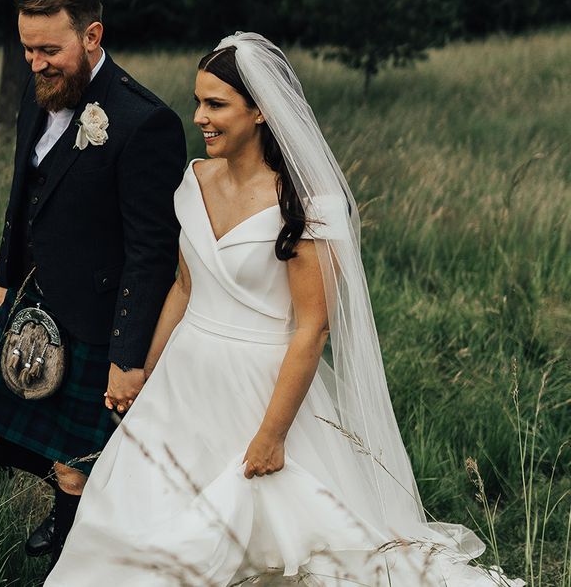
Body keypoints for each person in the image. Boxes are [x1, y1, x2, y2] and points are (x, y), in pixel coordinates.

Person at [43, 33, 524, 586]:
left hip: (262, 387)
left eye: (216, 104)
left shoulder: (307, 205)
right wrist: (143, 373)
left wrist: (272, 435)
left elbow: (313, 328)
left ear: (263, 113)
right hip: (184, 379)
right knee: (138, 517)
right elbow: (182, 286)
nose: (199, 117)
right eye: (198, 101)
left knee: (272, 536)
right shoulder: (193, 178)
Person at [0, 0, 186, 560]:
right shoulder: (37, 89)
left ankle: (77, 521)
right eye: (27, 49)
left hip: (100, 321)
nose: (36, 62)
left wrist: (129, 359)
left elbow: (152, 252)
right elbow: (23, 191)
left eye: (49, 49)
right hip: (34, 298)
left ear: (93, 36)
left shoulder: (143, 122)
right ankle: (76, 481)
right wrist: (6, 275)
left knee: (76, 469)